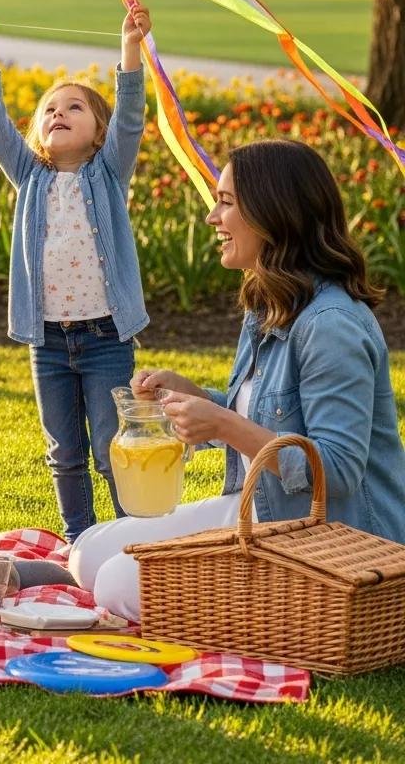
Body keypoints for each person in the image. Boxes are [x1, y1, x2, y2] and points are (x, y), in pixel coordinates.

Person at [69, 140, 405, 620]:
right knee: (89, 553)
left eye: (226, 202)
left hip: (336, 541)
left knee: (119, 584)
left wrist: (222, 424)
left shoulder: (330, 325)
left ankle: (283, 616)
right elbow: (272, 408)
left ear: (273, 212)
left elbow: (338, 472)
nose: (212, 217)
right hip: (264, 512)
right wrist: (196, 397)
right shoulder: (271, 301)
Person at [0, 1, 152, 545]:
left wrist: (130, 48)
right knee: (63, 452)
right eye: (49, 110)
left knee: (112, 448)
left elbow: (133, 116)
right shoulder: (29, 175)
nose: (58, 113)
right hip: (46, 340)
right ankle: (80, 539)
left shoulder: (108, 172)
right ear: (39, 132)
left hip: (105, 338)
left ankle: (128, 539)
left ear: (99, 131)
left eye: (75, 107)